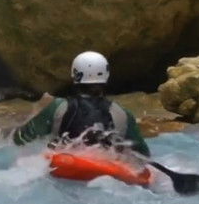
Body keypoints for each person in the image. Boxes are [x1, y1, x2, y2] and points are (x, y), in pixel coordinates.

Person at [11, 51, 150, 156]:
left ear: (75, 74)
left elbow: (20, 139)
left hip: (63, 168)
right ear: (106, 75)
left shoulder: (57, 107)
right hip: (106, 172)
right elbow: (143, 155)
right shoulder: (122, 114)